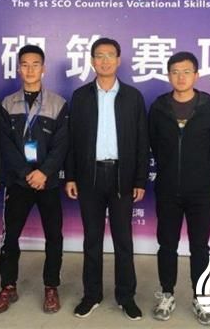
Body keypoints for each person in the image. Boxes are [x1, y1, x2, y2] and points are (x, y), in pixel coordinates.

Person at [65, 37, 149, 321]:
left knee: (123, 240)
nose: (104, 61)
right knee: (92, 240)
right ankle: (92, 295)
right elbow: (72, 141)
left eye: (110, 55)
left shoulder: (132, 97)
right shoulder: (80, 96)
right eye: (99, 56)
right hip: (89, 176)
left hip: (122, 177)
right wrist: (71, 176)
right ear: (92, 61)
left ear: (118, 60)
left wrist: (140, 180)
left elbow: (142, 142)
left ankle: (126, 297)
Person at [148, 51, 210, 325]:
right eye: (175, 72)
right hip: (168, 189)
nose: (180, 77)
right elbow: (153, 143)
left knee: (200, 247)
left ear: (196, 75)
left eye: (186, 72)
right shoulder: (159, 108)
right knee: (167, 245)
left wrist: (200, 174)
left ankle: (201, 298)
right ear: (168, 75)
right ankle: (167, 294)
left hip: (200, 192)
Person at [0, 45, 68, 314]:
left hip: (48, 183)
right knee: (10, 237)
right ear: (18, 69)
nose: (30, 69)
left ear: (43, 68)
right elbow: (5, 144)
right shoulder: (7, 104)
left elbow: (62, 145)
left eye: (35, 64)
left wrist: (44, 172)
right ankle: (8, 286)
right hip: (18, 182)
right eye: (25, 64)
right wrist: (26, 173)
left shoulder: (58, 103)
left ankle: (51, 287)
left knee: (54, 237)